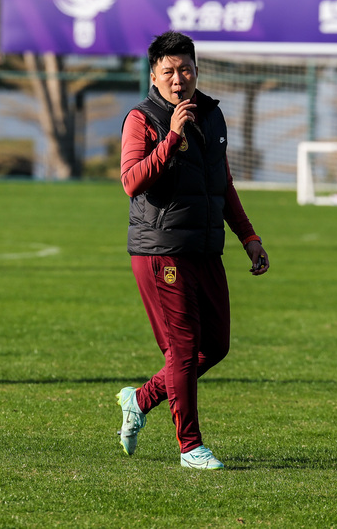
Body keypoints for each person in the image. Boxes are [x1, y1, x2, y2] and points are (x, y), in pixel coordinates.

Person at [116, 31, 270, 470]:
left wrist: (249, 237)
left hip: (204, 248)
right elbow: (131, 181)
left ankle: (140, 399)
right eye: (168, 71)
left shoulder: (213, 115)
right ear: (153, 76)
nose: (177, 79)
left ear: (197, 71)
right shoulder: (141, 118)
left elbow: (223, 184)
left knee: (215, 345)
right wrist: (171, 137)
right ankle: (190, 448)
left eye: (185, 69)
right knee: (182, 350)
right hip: (160, 250)